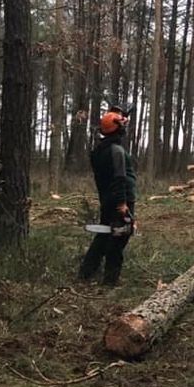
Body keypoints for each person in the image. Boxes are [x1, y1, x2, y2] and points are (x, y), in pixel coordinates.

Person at [79, 106, 137, 286]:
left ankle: (86, 273)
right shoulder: (116, 151)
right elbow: (119, 178)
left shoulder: (99, 150)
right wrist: (122, 203)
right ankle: (110, 280)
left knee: (104, 235)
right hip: (120, 199)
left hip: (107, 199)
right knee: (120, 237)